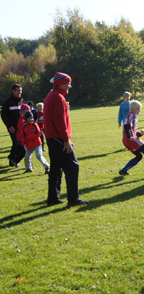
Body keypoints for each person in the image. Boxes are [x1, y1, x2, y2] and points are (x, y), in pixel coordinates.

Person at [44, 72, 88, 207]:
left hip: (52, 138)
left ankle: (53, 198)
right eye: (68, 83)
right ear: (60, 83)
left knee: (56, 168)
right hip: (58, 138)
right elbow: (60, 122)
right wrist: (66, 140)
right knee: (73, 166)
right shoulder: (58, 97)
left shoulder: (52, 95)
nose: (70, 86)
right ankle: (73, 199)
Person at [1, 84, 25, 167]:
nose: (20, 92)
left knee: (21, 144)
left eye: (21, 91)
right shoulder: (7, 102)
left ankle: (12, 161)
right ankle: (11, 157)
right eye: (18, 91)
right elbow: (3, 115)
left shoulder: (21, 101)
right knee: (16, 143)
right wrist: (9, 126)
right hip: (13, 127)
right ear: (13, 91)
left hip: (21, 127)